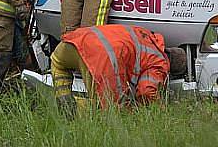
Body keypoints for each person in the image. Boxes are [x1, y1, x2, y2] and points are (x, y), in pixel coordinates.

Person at [50, 24, 186, 108]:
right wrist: (159, 108)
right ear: (171, 69)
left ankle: (63, 99)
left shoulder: (146, 35)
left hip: (72, 41)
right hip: (98, 56)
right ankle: (74, 108)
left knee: (58, 64)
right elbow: (146, 92)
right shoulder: (160, 62)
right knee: (108, 111)